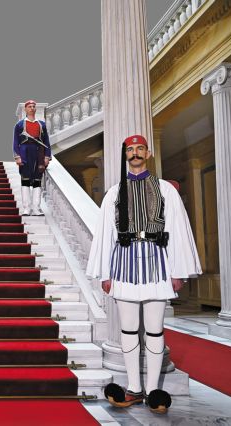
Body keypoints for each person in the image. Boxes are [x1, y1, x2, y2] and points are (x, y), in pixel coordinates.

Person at [86, 135, 201, 414]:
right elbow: (106, 235)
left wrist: (178, 271)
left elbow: (177, 229)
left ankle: (152, 391)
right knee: (127, 329)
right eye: (130, 149)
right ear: (126, 155)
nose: (135, 153)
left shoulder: (165, 190)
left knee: (154, 329)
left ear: (148, 153)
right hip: (123, 265)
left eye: (140, 149)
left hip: (157, 264)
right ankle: (134, 388)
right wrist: (105, 273)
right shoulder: (114, 193)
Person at [13, 100, 51, 216]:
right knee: (25, 180)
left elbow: (46, 141)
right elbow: (16, 142)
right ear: (25, 109)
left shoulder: (41, 124)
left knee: (37, 181)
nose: (32, 108)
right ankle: (26, 208)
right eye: (29, 106)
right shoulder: (19, 125)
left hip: (38, 154)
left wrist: (47, 156)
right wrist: (17, 156)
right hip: (24, 153)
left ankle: (36, 208)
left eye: (34, 106)